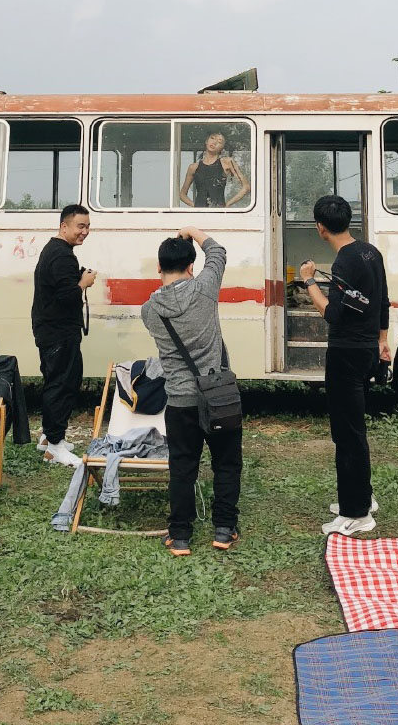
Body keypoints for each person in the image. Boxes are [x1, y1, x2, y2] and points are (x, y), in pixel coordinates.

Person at [140, 227, 241, 556]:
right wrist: (193, 232)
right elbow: (218, 252)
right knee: (226, 463)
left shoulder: (149, 310)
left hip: (179, 401)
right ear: (191, 267)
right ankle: (224, 530)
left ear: (159, 267)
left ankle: (180, 536)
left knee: (182, 467)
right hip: (219, 396)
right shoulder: (204, 289)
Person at [300, 195, 390, 537]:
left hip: (345, 354)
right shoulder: (370, 252)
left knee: (347, 434)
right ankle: (361, 496)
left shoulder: (343, 263)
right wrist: (382, 341)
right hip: (367, 350)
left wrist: (309, 281)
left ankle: (357, 514)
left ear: (320, 228)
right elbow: (382, 302)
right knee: (352, 429)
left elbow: (333, 314)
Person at [31, 204, 97, 467]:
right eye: (80, 226)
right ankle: (55, 447)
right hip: (59, 331)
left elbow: (58, 289)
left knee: (55, 381)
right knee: (62, 384)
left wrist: (77, 280)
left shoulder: (55, 250)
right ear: (64, 226)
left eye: (88, 227)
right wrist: (83, 283)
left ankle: (49, 437)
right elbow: (66, 296)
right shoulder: (62, 256)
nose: (85, 232)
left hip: (50, 329)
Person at [179, 132, 250, 208]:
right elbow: (182, 195)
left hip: (218, 212)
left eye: (219, 141)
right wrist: (195, 206)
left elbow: (246, 187)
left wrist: (227, 204)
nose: (214, 142)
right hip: (200, 213)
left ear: (222, 147)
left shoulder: (227, 162)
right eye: (212, 138)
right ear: (206, 141)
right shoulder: (193, 167)